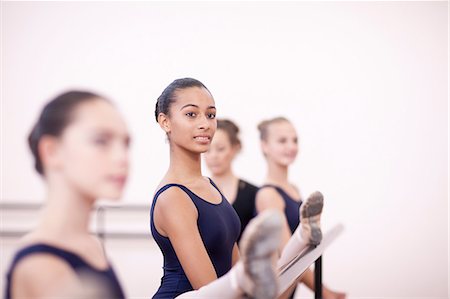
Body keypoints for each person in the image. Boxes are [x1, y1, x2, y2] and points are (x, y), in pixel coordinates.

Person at [4, 91, 129, 299]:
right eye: (101, 141)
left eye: (125, 144)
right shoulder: (41, 266)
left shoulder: (91, 246)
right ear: (51, 151)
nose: (122, 158)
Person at [256, 116, 346, 299]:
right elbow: (291, 258)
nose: (291, 146)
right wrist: (325, 293)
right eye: (282, 141)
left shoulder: (293, 189)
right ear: (264, 146)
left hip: (290, 287)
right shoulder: (268, 195)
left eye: (294, 140)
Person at [204, 119, 258, 241]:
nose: (213, 156)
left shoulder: (254, 194)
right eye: (208, 149)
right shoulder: (195, 193)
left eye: (220, 149)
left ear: (235, 148)